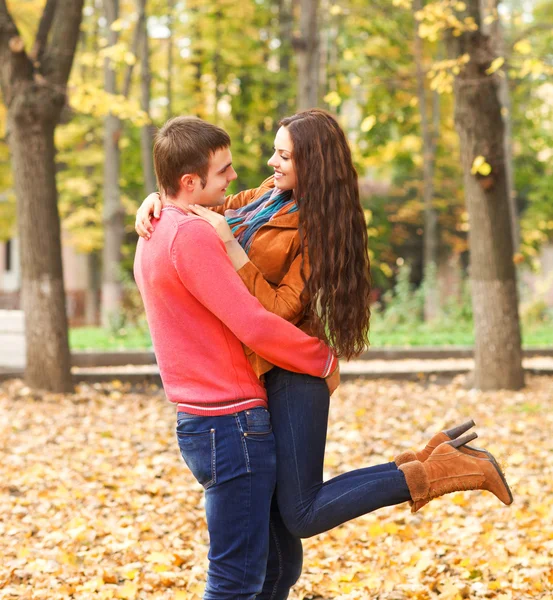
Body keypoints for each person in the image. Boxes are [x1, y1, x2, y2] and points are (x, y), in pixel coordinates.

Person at [135, 110, 513, 599]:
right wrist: (156, 202)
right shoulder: (263, 200)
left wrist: (230, 246)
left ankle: (438, 470)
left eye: (284, 155)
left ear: (312, 164)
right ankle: (429, 460)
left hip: (295, 367)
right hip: (260, 376)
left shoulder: (315, 227)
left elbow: (273, 309)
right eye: (275, 149)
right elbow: (195, 200)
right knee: (281, 559)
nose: (270, 161)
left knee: (302, 512)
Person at [134, 116, 339, 600]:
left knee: (278, 569)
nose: (235, 178)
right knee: (236, 581)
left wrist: (158, 198)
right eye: (223, 170)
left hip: (207, 418)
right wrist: (322, 359)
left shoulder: (159, 226)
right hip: (230, 423)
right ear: (190, 181)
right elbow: (255, 322)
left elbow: (206, 201)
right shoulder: (194, 235)